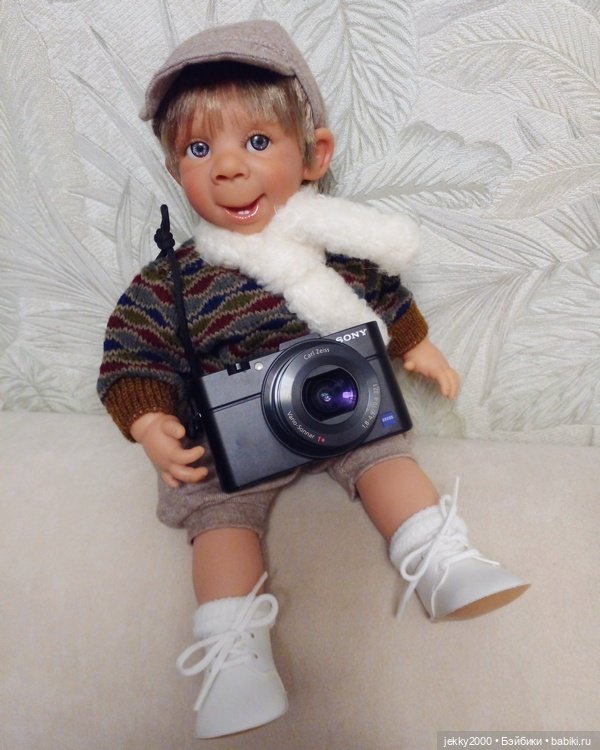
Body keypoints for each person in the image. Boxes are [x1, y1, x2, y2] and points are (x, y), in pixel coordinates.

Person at [97, 19, 528, 739]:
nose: (227, 168)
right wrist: (148, 420)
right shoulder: (171, 281)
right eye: (200, 150)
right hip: (234, 432)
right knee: (216, 515)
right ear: (176, 169)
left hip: (334, 397)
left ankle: (436, 556)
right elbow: (130, 352)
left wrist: (418, 347)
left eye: (256, 142)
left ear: (313, 155)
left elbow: (383, 295)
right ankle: (234, 656)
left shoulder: (334, 247)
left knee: (383, 454)